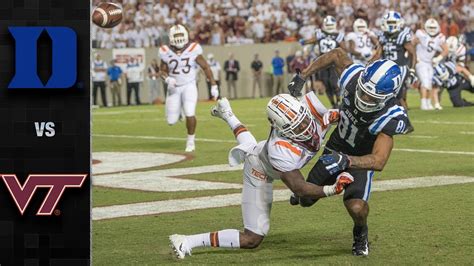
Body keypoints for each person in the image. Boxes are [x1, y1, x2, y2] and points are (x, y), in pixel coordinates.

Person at [169, 94, 353, 259]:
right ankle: (187, 241)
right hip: (259, 171)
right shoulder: (280, 149)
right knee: (252, 238)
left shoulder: (311, 110)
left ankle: (227, 114)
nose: (305, 127)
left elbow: (348, 116)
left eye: (304, 119)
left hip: (264, 153)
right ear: (281, 129)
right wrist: (331, 189)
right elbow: (299, 188)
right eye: (296, 126)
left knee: (252, 146)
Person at [288, 47, 410, 256]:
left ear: (387, 96)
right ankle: (306, 191)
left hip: (361, 159)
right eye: (362, 90)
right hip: (336, 146)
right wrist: (303, 75)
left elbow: (379, 161)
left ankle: (361, 233)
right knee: (305, 200)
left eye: (370, 96)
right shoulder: (354, 77)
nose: (363, 96)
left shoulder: (391, 115)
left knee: (356, 208)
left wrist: (346, 161)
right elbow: (336, 54)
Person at [160, 24, 218, 152]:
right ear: (170, 37)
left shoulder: (193, 49)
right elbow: (162, 71)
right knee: (171, 121)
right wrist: (167, 78)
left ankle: (190, 141)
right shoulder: (165, 51)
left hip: (189, 85)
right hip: (174, 88)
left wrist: (213, 84)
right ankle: (179, 109)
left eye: (180, 35)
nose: (178, 38)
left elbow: (205, 67)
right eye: (176, 36)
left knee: (190, 112)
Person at [300, 15, 346, 108]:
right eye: (327, 24)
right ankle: (333, 104)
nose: (329, 26)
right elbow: (313, 40)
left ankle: (338, 102)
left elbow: (343, 48)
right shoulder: (320, 33)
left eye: (330, 24)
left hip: (334, 63)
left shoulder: (338, 35)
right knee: (326, 84)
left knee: (334, 84)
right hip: (323, 62)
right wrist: (305, 42)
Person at [375, 11, 417, 111]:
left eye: (393, 23)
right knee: (388, 95)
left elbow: (413, 53)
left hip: (400, 68)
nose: (390, 25)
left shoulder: (402, 35)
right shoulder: (383, 36)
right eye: (389, 23)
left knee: (395, 95)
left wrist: (412, 70)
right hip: (386, 69)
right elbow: (378, 54)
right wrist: (369, 64)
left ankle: (403, 116)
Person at [413, 18, 448, 110]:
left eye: (433, 27)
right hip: (420, 61)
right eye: (430, 27)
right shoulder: (421, 34)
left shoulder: (439, 37)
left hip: (429, 63)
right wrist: (414, 56)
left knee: (429, 83)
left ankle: (428, 103)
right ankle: (423, 103)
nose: (432, 29)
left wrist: (438, 58)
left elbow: (446, 50)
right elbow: (412, 43)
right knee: (425, 82)